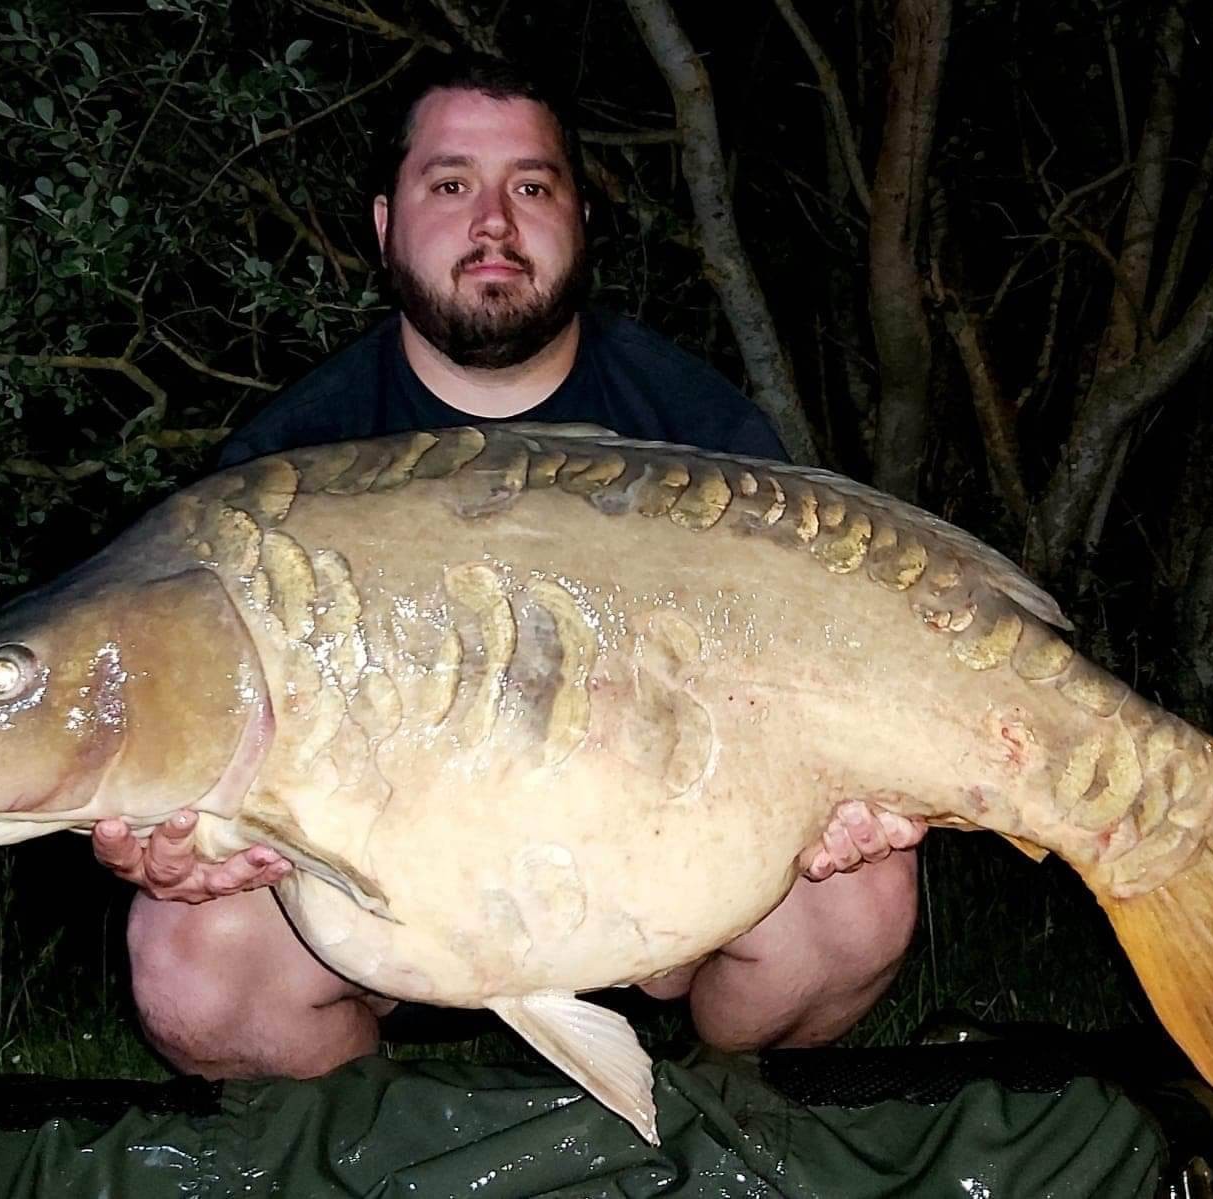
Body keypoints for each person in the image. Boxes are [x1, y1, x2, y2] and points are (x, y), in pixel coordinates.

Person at [92, 55, 927, 1081]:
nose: (494, 220)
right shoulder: (286, 468)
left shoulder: (703, 432)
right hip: (386, 904)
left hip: (667, 879)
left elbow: (811, 674)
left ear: (581, 219)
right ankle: (378, 1147)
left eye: (531, 186)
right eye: (450, 186)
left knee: (862, 902)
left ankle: (720, 1117)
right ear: (386, 224)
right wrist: (166, 831)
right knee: (187, 964)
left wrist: (850, 793)